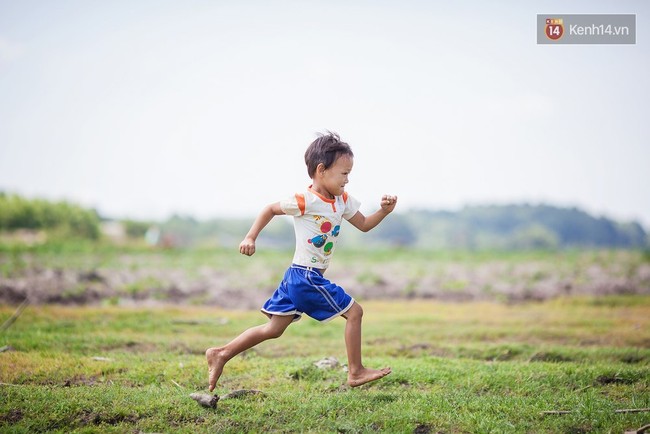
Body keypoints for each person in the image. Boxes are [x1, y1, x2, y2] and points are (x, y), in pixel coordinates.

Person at [206, 132, 397, 392]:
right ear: (321, 170)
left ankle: (221, 353)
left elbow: (363, 225)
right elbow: (270, 209)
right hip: (305, 276)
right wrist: (251, 236)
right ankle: (356, 371)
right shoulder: (305, 200)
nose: (347, 179)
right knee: (355, 312)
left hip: (298, 276)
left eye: (349, 173)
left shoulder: (342, 200)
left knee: (273, 329)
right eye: (343, 173)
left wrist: (384, 212)